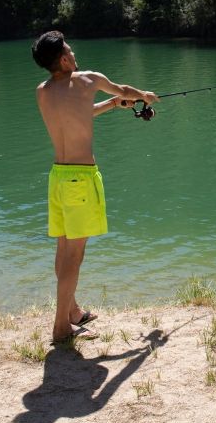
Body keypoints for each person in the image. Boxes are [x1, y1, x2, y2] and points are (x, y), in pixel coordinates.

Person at [31, 31, 159, 342]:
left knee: (63, 249)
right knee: (74, 255)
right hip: (80, 180)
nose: (75, 55)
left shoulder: (43, 91)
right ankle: (61, 327)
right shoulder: (88, 79)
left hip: (58, 178)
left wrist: (112, 105)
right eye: (70, 51)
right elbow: (125, 88)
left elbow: (78, 113)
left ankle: (72, 311)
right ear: (63, 58)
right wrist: (144, 96)